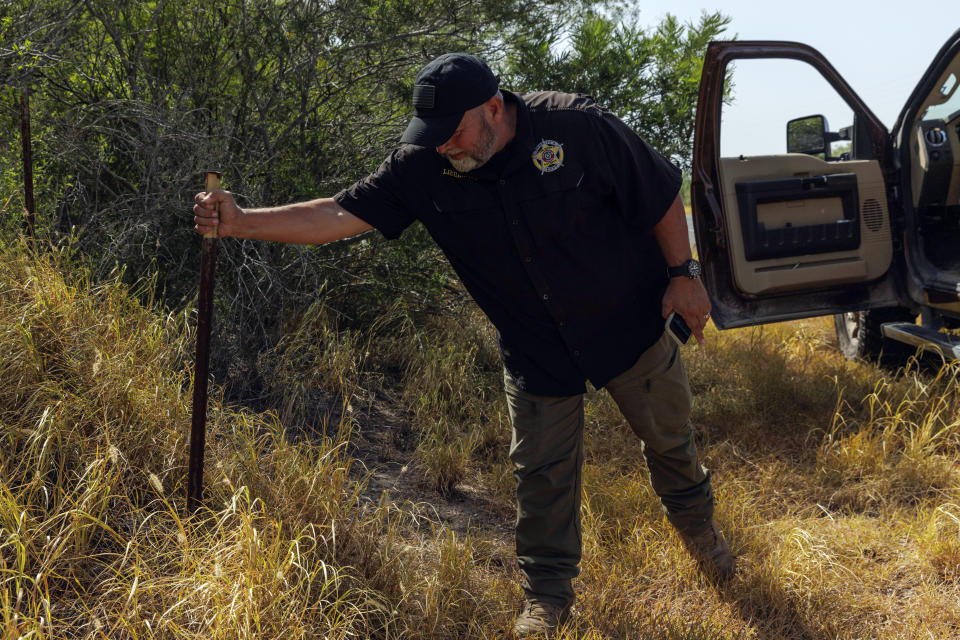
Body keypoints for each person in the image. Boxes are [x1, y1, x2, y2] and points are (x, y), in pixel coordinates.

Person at [194, 52, 734, 637]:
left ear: (495, 110)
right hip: (536, 348)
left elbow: (657, 195)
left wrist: (684, 275)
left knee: (671, 444)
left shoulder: (576, 128)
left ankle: (706, 547)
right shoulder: (422, 166)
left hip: (628, 322)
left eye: (452, 132)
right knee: (541, 477)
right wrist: (243, 221)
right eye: (431, 137)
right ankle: (546, 600)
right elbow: (336, 213)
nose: (442, 147)